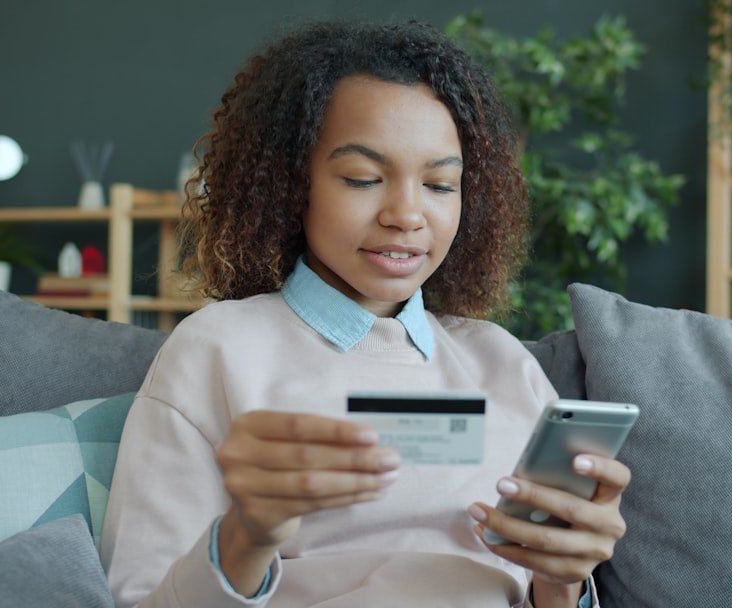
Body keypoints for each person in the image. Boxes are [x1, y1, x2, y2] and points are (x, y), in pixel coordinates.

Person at [100, 19, 630, 608]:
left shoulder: (501, 361)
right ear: (291, 183)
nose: (407, 214)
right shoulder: (216, 350)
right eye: (363, 178)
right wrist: (246, 536)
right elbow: (141, 598)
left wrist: (562, 582)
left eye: (439, 184)